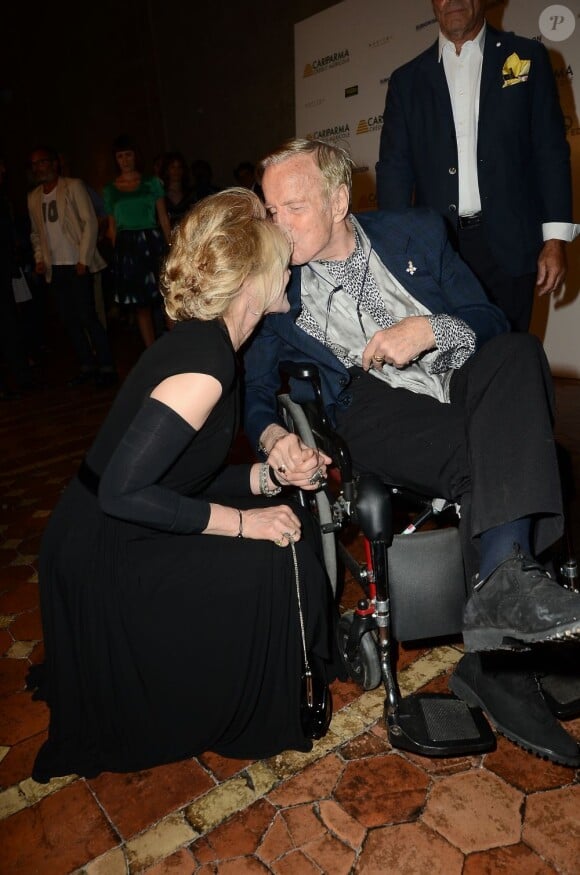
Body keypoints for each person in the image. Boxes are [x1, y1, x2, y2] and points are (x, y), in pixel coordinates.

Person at [243, 137, 580, 766]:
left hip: (459, 381)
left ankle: (499, 608)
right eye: (271, 210)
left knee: (519, 353)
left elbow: (488, 318)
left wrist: (430, 328)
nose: (277, 226)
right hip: (369, 408)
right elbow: (255, 391)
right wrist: (275, 437)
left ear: (340, 200)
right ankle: (504, 645)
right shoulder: (272, 284)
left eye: (293, 208)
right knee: (502, 446)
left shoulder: (416, 231)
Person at [31, 188, 334, 782]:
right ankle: (273, 698)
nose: (288, 261)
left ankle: (297, 666)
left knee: (278, 511)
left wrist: (263, 475)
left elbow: (176, 474)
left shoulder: (214, 346)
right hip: (101, 551)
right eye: (279, 251)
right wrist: (246, 522)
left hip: (110, 523)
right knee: (269, 554)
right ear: (250, 277)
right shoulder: (207, 363)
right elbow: (123, 492)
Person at [375, 0, 578, 332]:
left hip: (512, 246)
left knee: (510, 359)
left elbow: (550, 151)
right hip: (438, 251)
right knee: (453, 362)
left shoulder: (528, 57)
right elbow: (395, 169)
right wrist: (396, 249)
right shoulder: (406, 81)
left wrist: (555, 239)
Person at [27, 145, 117, 388]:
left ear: (54, 163)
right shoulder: (34, 197)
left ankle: (107, 366)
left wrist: (83, 259)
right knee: (69, 320)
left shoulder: (73, 186)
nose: (38, 168)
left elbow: (90, 222)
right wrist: (39, 259)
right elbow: (36, 234)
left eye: (42, 162)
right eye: (34, 164)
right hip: (54, 268)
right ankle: (87, 365)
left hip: (77, 263)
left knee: (88, 316)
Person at [103, 135, 172, 349]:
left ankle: (177, 349)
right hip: (128, 247)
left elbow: (163, 218)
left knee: (167, 299)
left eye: (128, 154)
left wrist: (171, 247)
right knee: (141, 306)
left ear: (136, 156)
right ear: (116, 160)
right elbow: (112, 228)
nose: (125, 160)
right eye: (120, 156)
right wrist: (119, 258)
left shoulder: (151, 183)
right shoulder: (110, 190)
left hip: (152, 242)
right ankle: (153, 352)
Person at [161, 151, 197, 228]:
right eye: (172, 167)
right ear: (166, 170)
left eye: (179, 167)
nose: (176, 171)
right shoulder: (160, 194)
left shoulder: (191, 194)